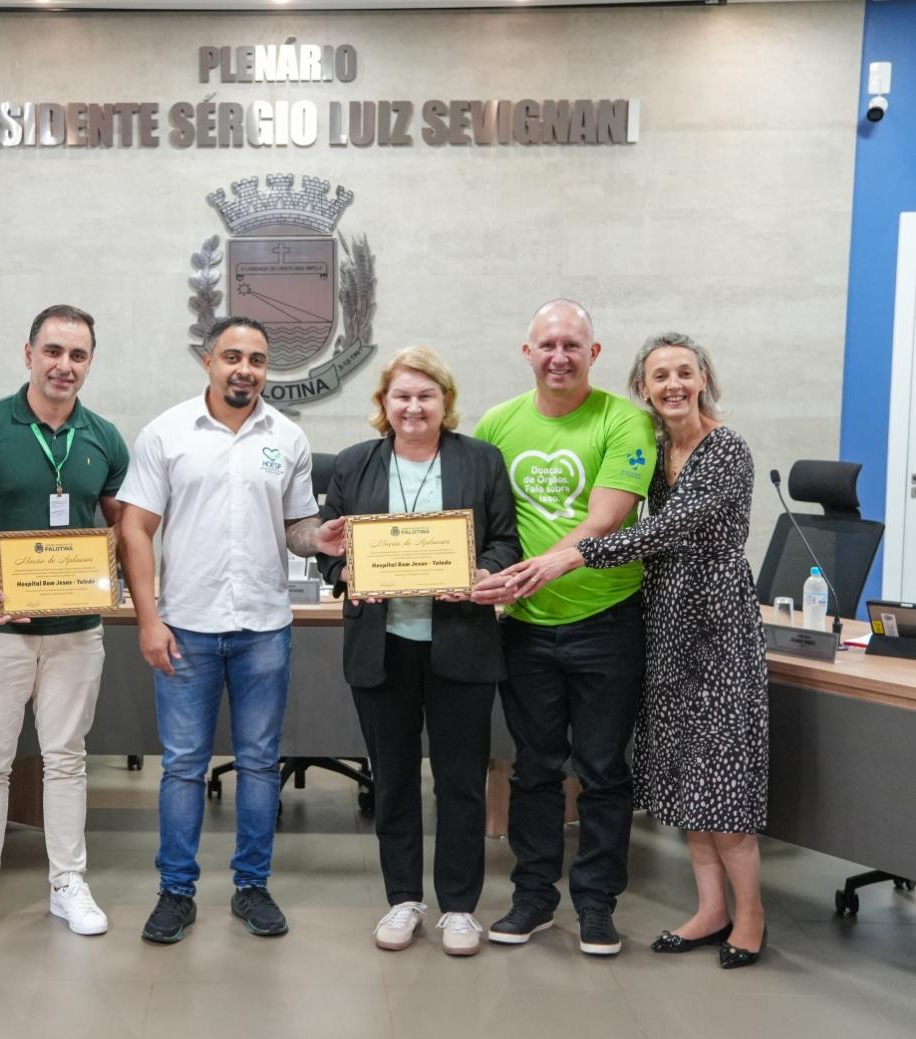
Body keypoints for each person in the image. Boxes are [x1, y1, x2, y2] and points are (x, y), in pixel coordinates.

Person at [497, 333, 770, 968]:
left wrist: (576, 555)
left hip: (718, 631)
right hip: (664, 627)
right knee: (686, 778)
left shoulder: (725, 448)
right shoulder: (659, 447)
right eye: (658, 376)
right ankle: (710, 909)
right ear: (641, 388)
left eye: (684, 372)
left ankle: (750, 918)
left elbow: (667, 530)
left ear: (704, 377)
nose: (672, 384)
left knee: (724, 780)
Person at [118, 314, 344, 944]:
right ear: (208, 361)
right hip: (185, 627)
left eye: (258, 360)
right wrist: (147, 617)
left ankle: (252, 887)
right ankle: (175, 893)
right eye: (233, 357)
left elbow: (296, 528)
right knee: (185, 767)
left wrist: (317, 536)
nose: (245, 369)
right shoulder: (167, 433)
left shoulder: (289, 438)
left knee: (259, 763)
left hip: (264, 628)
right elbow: (134, 527)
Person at [317, 347, 521, 956]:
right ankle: (403, 899)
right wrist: (344, 568)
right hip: (383, 647)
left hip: (460, 640)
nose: (413, 406)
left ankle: (459, 907)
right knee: (395, 779)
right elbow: (327, 546)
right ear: (384, 403)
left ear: (445, 403)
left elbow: (507, 540)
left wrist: (482, 569)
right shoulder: (355, 465)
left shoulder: (481, 460)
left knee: (461, 781)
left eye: (426, 396)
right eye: (402, 396)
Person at [0, 304, 129, 944]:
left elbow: (125, 525)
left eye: (77, 355)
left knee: (66, 760)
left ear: (90, 363)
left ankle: (67, 884)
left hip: (76, 630)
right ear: (28, 354)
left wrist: (122, 579)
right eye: (52, 351)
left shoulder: (104, 437)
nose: (63, 366)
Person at [471, 299, 656, 956]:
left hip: (606, 621)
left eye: (572, 346)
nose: (559, 357)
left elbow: (607, 517)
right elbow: (478, 518)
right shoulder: (497, 423)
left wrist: (545, 566)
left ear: (594, 354)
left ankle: (598, 901)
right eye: (547, 344)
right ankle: (533, 896)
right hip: (523, 627)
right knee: (535, 768)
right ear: (528, 353)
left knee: (603, 768)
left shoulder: (624, 420)